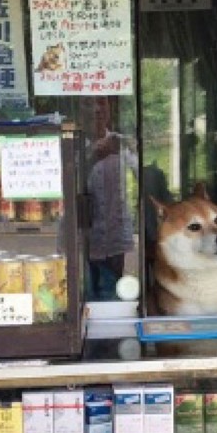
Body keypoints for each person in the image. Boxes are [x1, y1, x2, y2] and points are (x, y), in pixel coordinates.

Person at [86, 118, 138, 298]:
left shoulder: (121, 143)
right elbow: (65, 179)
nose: (97, 111)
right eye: (89, 103)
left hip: (116, 228)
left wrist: (133, 150)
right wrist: (91, 156)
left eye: (102, 102)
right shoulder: (75, 142)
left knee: (115, 283)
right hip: (87, 230)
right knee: (87, 286)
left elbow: (141, 173)